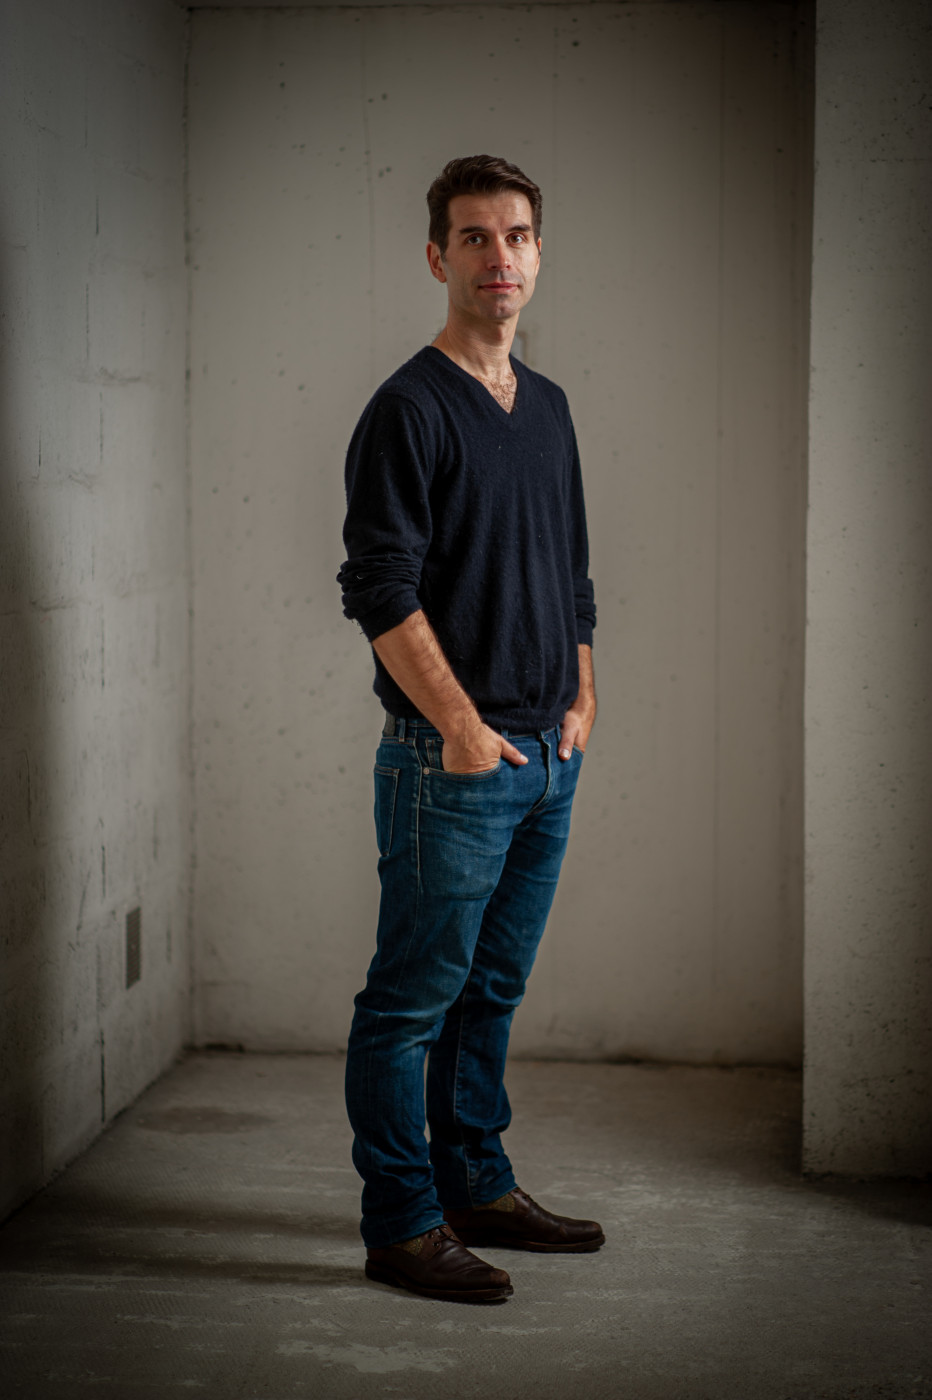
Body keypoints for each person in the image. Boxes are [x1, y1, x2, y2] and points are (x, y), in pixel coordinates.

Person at [337, 155, 602, 1304]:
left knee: (488, 992)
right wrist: (455, 723)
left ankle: (475, 1184)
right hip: (448, 762)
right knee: (408, 1005)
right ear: (436, 256)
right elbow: (376, 585)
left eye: (516, 235)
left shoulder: (546, 406)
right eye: (475, 237)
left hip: (546, 756)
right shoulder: (407, 407)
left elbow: (572, 573)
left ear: (538, 252)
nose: (500, 256)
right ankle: (402, 1222)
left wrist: (582, 696)